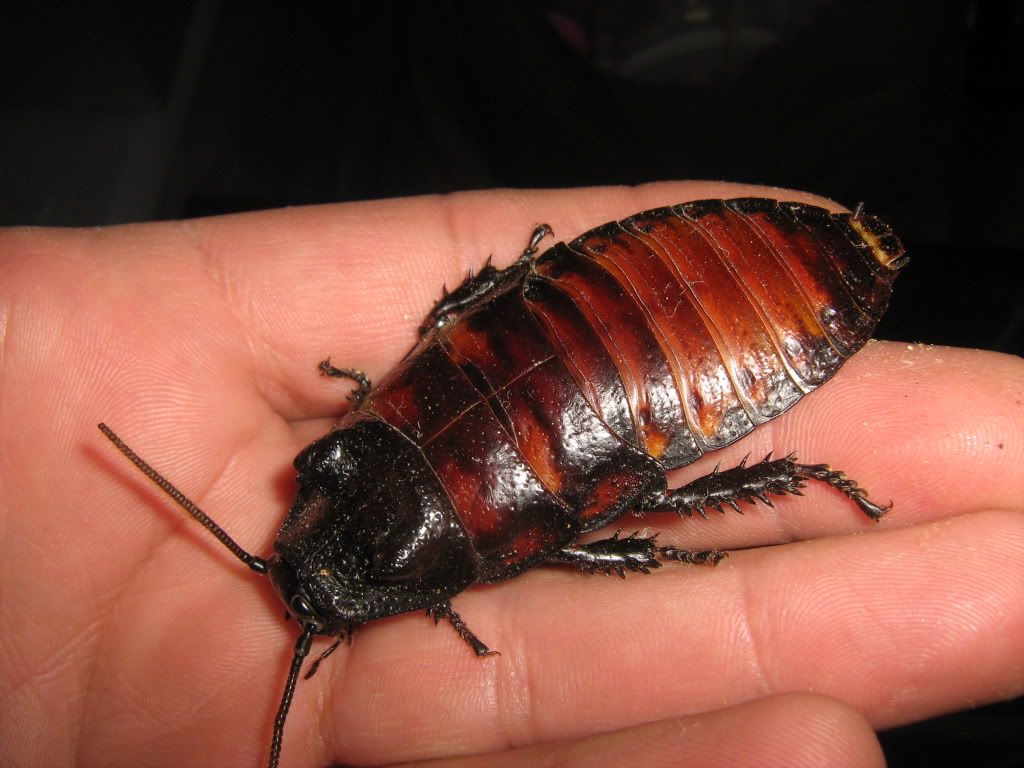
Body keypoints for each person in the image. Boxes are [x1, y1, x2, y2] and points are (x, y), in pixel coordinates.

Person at [1, 181, 1021, 768]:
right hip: (660, 315)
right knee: (631, 516)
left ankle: (801, 441)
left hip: (716, 322)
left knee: (631, 520)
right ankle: (801, 458)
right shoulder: (383, 426)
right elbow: (455, 329)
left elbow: (610, 530)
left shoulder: (467, 536)